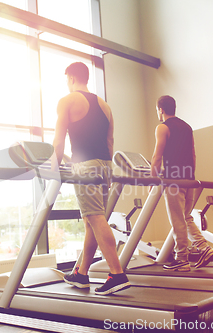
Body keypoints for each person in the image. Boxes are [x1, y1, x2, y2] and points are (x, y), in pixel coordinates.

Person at [52, 62, 130, 295]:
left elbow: (59, 140)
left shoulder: (67, 101)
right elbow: (110, 141)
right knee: (91, 221)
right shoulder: (105, 105)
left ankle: (117, 273)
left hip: (84, 166)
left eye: (67, 80)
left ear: (71, 78)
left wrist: (53, 168)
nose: (66, 84)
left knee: (95, 218)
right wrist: (107, 171)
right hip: (105, 165)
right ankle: (81, 273)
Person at [150, 95, 213, 271]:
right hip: (189, 179)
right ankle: (203, 247)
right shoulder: (187, 127)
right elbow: (193, 154)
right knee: (186, 217)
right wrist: (191, 177)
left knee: (178, 220)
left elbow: (157, 156)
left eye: (157, 109)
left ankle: (182, 259)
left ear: (161, 110)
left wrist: (152, 179)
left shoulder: (162, 128)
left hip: (173, 180)